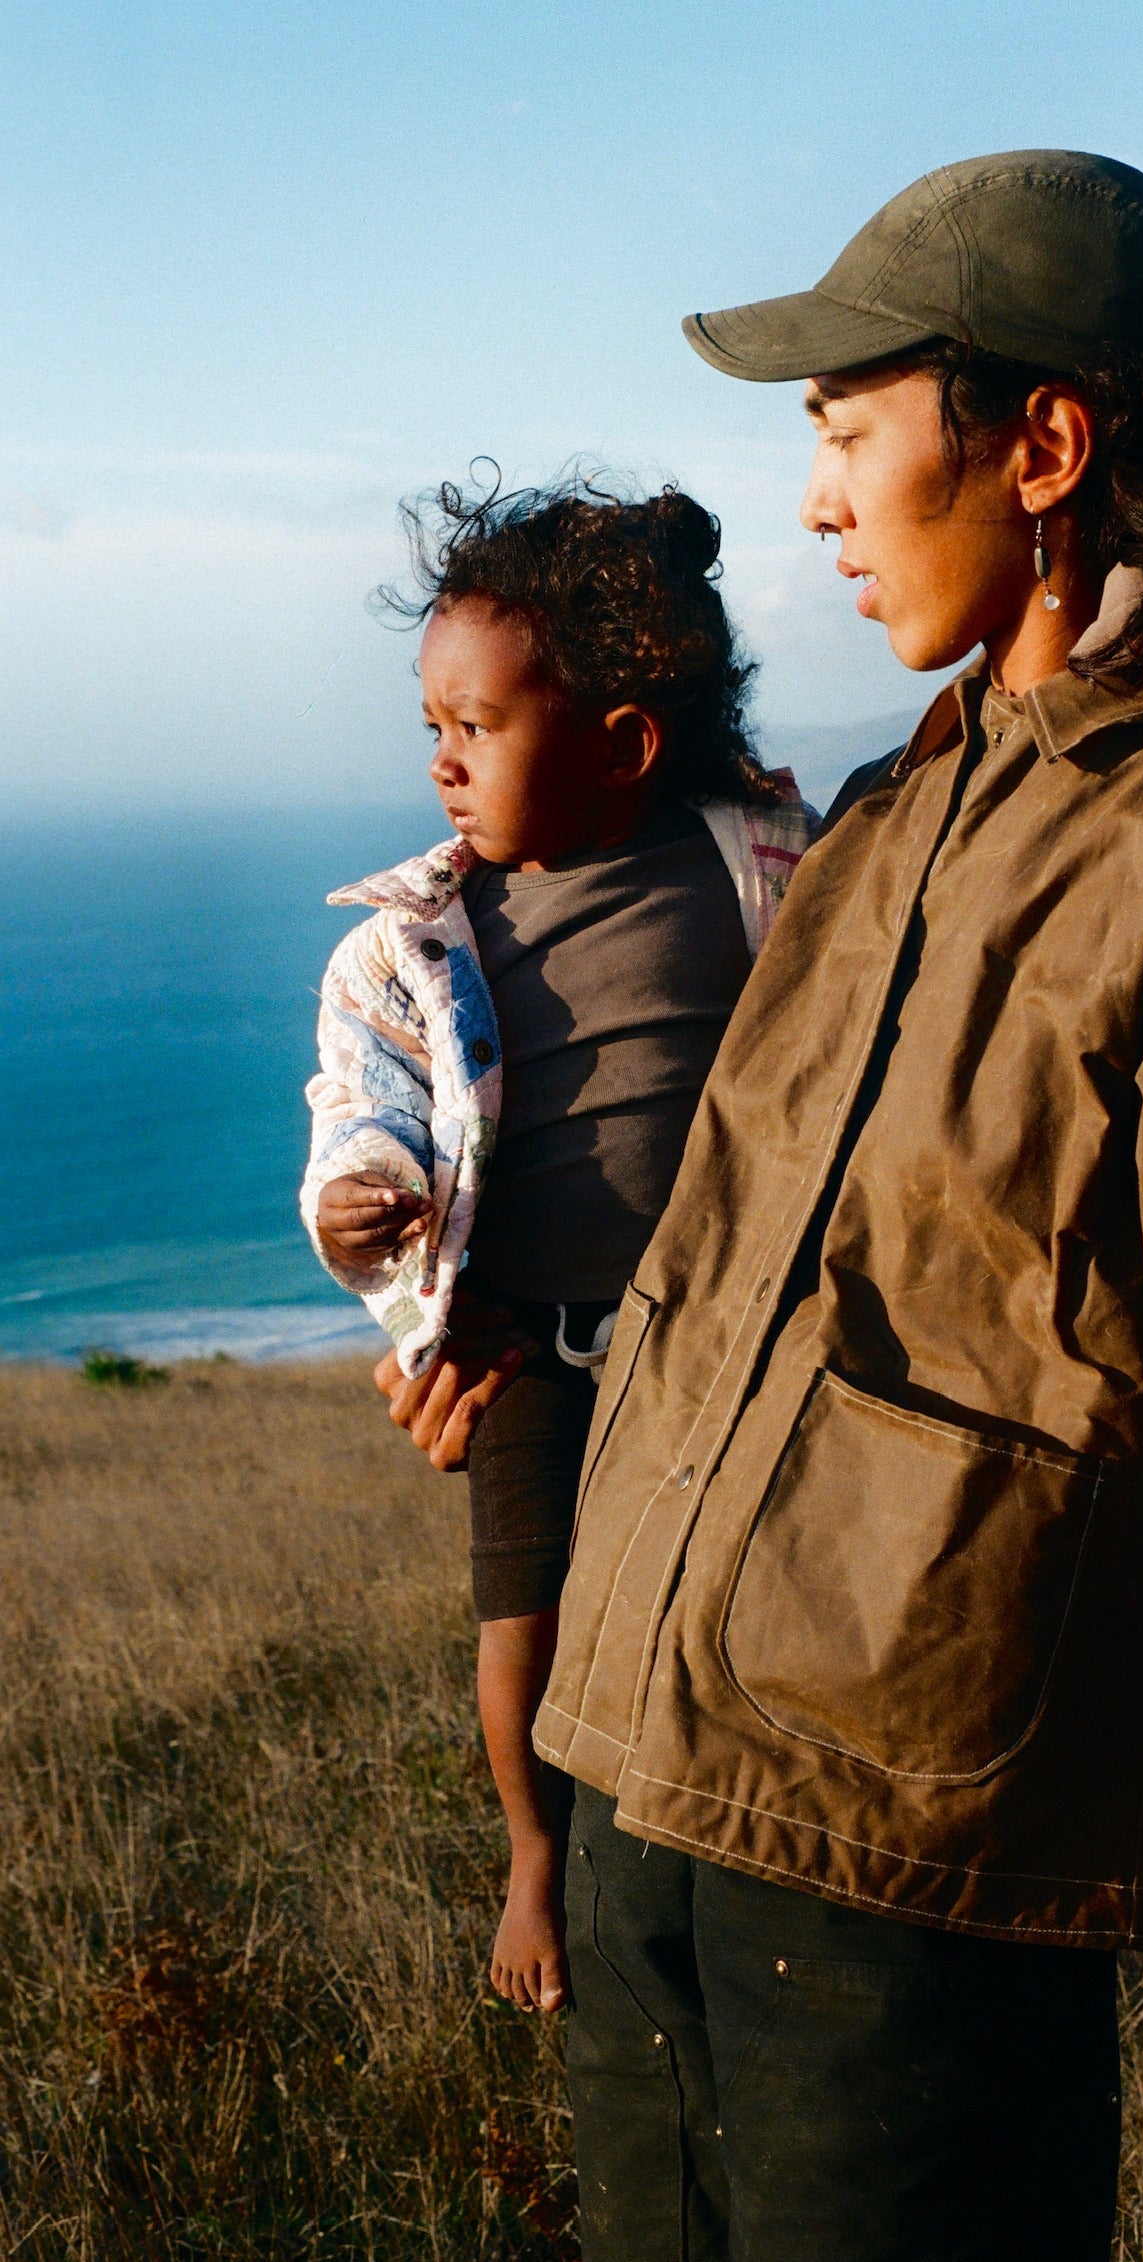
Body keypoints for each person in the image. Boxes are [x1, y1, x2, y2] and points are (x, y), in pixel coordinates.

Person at [530, 156, 1143, 2259]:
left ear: (1041, 446)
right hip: (637, 1807)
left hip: (905, 1895)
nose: (815, 506)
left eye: (849, 432)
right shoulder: (892, 811)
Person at [299, 478, 810, 2017]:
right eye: (434, 723)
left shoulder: (751, 867)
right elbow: (364, 1096)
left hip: (703, 1329)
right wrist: (362, 1194)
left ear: (623, 745)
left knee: (713, 1598)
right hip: (517, 1331)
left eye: (481, 724)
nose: (442, 759)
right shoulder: (420, 938)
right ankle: (534, 1849)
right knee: (519, 1612)